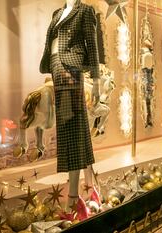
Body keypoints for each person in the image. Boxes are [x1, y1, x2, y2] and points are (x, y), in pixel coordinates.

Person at [39, 0, 100, 220]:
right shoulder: (57, 12)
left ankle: (73, 199)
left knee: (72, 127)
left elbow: (92, 46)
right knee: (74, 125)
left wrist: (97, 80)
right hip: (56, 67)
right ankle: (90, 187)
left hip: (71, 68)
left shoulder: (84, 11)